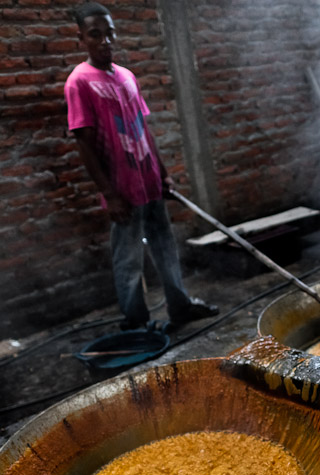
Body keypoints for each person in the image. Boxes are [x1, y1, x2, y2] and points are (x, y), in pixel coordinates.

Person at [65, 2, 217, 332]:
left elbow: (143, 130)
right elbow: (84, 144)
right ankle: (135, 323)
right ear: (81, 38)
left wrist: (162, 173)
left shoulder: (127, 76)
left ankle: (180, 306)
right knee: (129, 259)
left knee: (165, 246)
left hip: (149, 182)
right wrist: (109, 194)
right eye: (95, 35)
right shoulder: (79, 82)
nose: (105, 41)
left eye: (109, 34)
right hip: (122, 191)